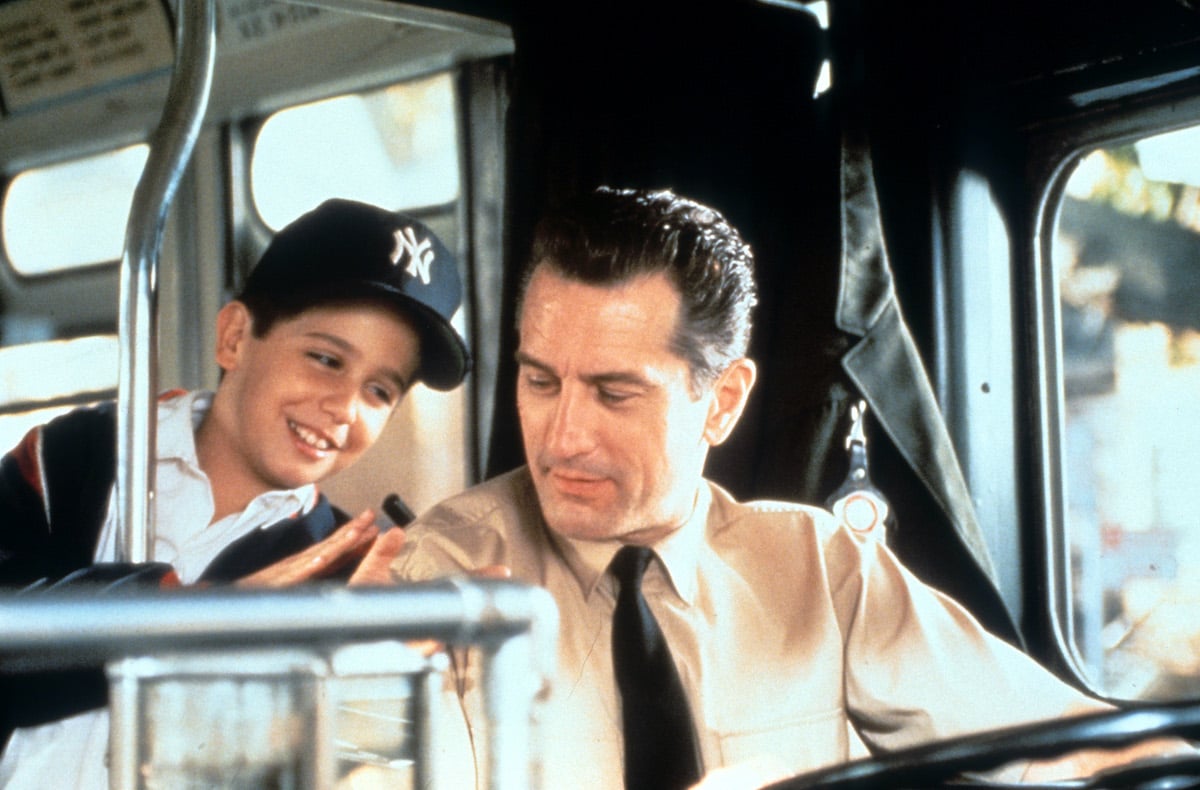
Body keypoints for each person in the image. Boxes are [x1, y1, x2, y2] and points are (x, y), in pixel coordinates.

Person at [352, 186, 1187, 789]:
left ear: (721, 401)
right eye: (540, 383)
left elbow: (1068, 742)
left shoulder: (818, 568)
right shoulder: (444, 581)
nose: (563, 436)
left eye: (614, 393)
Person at [0, 197, 470, 788]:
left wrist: (381, 680)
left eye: (380, 391)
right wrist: (197, 616)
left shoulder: (348, 573)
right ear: (235, 337)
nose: (345, 408)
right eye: (326, 359)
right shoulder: (77, 456)